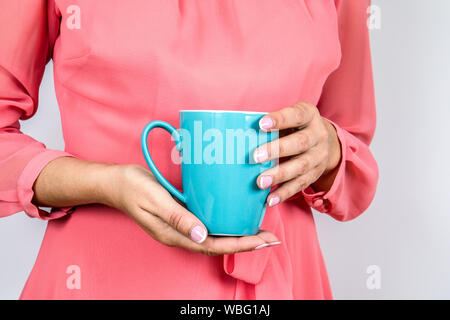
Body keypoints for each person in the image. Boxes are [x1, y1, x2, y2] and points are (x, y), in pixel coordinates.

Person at [0, 0, 378, 299]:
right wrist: (105, 183)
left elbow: (353, 157)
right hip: (104, 277)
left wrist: (328, 149)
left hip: (285, 277)